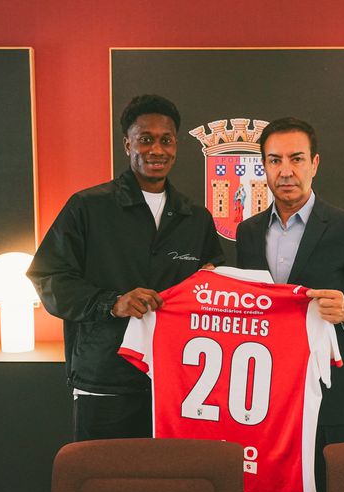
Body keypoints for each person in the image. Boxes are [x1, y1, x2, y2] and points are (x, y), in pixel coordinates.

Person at [27, 94, 224, 441]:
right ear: (127, 143)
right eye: (145, 139)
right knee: (103, 472)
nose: (156, 150)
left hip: (180, 380)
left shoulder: (196, 218)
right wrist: (112, 303)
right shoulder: (87, 208)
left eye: (166, 140)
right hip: (105, 378)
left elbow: (215, 284)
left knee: (173, 473)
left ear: (176, 146)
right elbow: (48, 276)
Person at [235, 117, 344, 492]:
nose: (285, 171)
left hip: (329, 392)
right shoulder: (248, 232)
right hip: (265, 394)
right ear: (264, 167)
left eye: (296, 158)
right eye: (274, 160)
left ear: (314, 164)